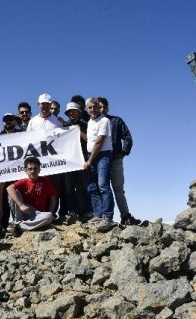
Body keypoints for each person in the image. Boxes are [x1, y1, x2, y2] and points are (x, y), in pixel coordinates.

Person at [98, 97, 144, 227]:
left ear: (106, 108)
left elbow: (127, 137)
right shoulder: (94, 123)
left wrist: (123, 152)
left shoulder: (116, 121)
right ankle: (104, 217)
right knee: (102, 188)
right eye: (98, 107)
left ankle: (125, 216)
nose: (101, 110)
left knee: (118, 190)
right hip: (100, 161)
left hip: (115, 160)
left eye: (102, 107)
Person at [83, 98, 118, 232]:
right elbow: (91, 140)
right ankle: (98, 214)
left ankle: (107, 217)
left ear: (100, 108)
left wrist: (89, 161)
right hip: (91, 155)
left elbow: (99, 142)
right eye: (90, 107)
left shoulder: (105, 121)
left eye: (95, 107)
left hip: (102, 155)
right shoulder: (91, 122)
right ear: (86, 109)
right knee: (92, 186)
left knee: (103, 185)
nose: (93, 110)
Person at [6, 157, 57, 236]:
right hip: (23, 211)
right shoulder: (24, 181)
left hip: (37, 214)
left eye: (35, 168)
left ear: (39, 169)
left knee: (49, 216)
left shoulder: (45, 181)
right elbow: (9, 188)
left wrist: (49, 212)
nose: (33, 171)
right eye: (30, 169)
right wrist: (21, 205)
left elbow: (53, 199)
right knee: (13, 192)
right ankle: (18, 222)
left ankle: (18, 227)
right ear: (25, 170)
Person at [61, 102, 90, 222]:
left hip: (83, 160)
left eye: (73, 111)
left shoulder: (86, 125)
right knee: (69, 189)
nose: (71, 113)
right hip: (69, 162)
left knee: (86, 187)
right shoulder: (64, 127)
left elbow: (91, 140)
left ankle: (89, 212)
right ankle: (72, 212)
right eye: (69, 112)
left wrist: (79, 131)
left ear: (79, 112)